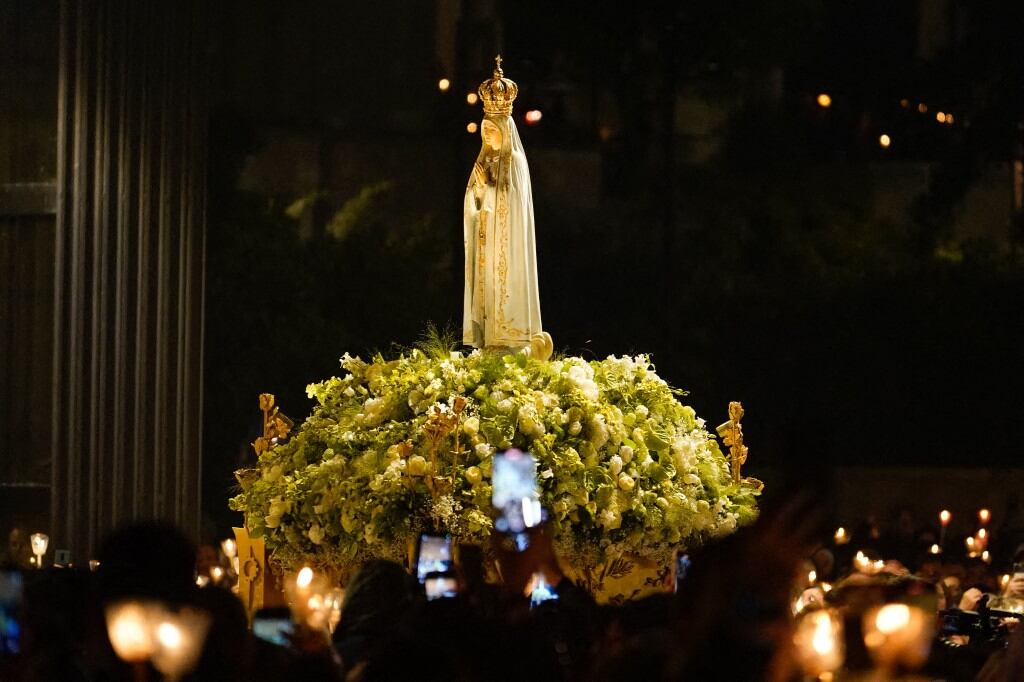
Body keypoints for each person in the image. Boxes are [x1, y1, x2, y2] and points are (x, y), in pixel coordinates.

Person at [463, 56, 544, 351]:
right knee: (487, 293)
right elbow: (472, 199)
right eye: (485, 131)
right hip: (487, 237)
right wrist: (476, 200)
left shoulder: (515, 161)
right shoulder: (484, 161)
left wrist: (488, 190)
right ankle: (487, 339)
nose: (487, 135)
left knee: (505, 290)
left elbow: (512, 201)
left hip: (506, 242)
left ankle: (510, 339)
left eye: (492, 130)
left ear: (504, 130)